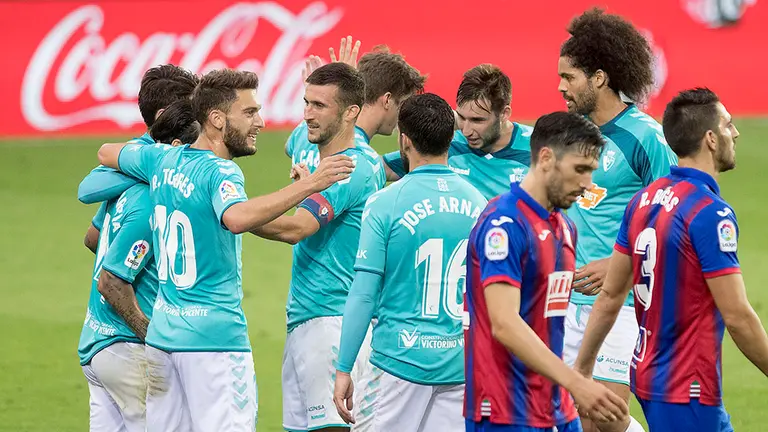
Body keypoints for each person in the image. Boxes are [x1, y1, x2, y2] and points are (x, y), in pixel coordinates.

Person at [95, 68, 355, 431]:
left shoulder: (161, 160)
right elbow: (236, 218)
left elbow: (106, 152)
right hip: (214, 344)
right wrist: (312, 183)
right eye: (249, 113)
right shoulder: (222, 172)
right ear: (217, 119)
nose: (260, 122)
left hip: (163, 342)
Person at [573, 88, 768, 432]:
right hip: (687, 386)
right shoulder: (710, 213)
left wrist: (583, 370)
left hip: (646, 372)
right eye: (728, 125)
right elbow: (737, 316)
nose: (735, 133)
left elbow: (610, 296)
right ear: (710, 138)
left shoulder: (644, 200)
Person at [464, 111, 628, 432]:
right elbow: (505, 324)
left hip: (556, 407)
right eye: (580, 170)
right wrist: (577, 383)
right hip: (504, 411)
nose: (587, 184)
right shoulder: (504, 224)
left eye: (592, 172)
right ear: (546, 158)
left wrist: (572, 384)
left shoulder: (565, 228)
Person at [332, 93, 487, 431]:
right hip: (460, 365)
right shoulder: (480, 204)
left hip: (398, 363)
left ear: (404, 140)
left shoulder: (386, 202)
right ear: (451, 138)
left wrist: (344, 367)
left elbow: (363, 293)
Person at [557, 9, 678, 432]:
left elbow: (676, 215)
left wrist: (619, 265)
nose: (560, 87)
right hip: (563, 302)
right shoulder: (570, 132)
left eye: (569, 77)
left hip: (621, 306)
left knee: (600, 418)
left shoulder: (645, 137)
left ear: (600, 78)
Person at [250, 62, 384, 432]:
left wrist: (233, 215)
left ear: (351, 113)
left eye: (319, 106)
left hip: (331, 324)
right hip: (308, 323)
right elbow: (293, 142)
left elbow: (296, 228)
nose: (307, 114)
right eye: (306, 102)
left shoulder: (346, 168)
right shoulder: (317, 152)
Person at [79, 64, 200, 252]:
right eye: (190, 108)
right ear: (163, 115)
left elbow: (92, 238)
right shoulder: (140, 156)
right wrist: (153, 171)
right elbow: (86, 191)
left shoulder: (133, 161)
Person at [383, 64, 532, 199]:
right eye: (461, 117)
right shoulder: (447, 143)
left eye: (477, 120)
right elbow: (382, 169)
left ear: (504, 114)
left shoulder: (537, 149)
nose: (466, 131)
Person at [287, 37, 426, 174]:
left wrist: (334, 95)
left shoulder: (304, 130)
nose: (402, 114)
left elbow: (289, 147)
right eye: (402, 104)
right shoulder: (363, 161)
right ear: (387, 100)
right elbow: (419, 161)